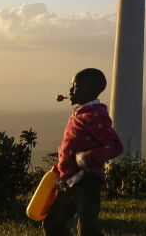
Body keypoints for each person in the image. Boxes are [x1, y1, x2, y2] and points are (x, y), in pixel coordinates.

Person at [44, 68, 124, 236]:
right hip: (69, 181)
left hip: (88, 181)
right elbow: (71, 147)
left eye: (75, 87)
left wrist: (88, 158)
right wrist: (60, 167)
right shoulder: (80, 114)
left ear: (90, 90)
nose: (70, 90)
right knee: (52, 224)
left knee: (87, 230)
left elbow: (115, 145)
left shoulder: (95, 115)